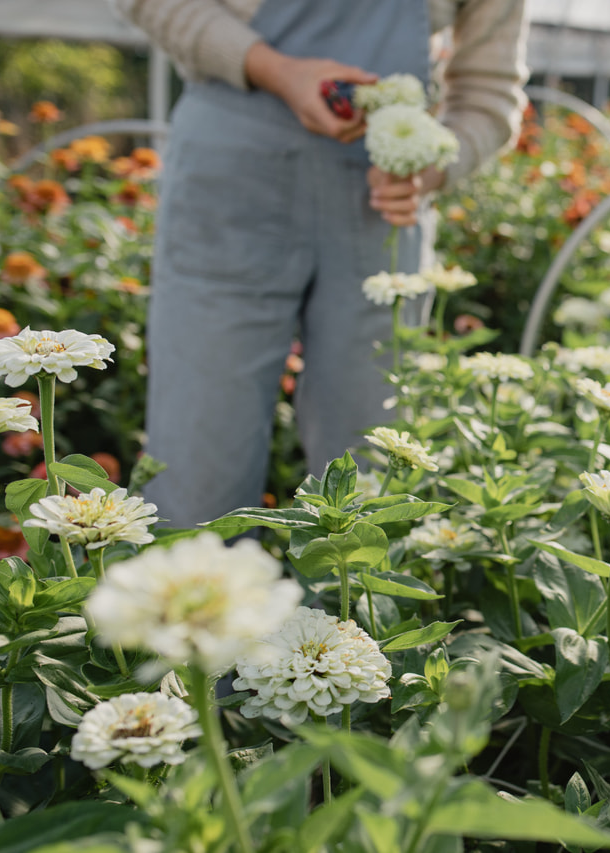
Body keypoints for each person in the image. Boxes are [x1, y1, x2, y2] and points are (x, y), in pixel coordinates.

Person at [110, 0, 529, 527]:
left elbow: (489, 93)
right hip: (230, 183)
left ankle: (350, 609)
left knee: (369, 476)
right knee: (197, 465)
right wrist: (277, 71)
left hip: (380, 207)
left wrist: (428, 170)